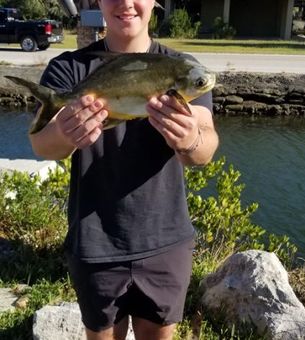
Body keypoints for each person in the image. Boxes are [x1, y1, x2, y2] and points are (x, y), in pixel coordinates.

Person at [29, 0, 219, 339]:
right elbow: (43, 146)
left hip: (166, 241)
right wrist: (64, 133)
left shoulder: (182, 68)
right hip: (95, 242)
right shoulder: (70, 68)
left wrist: (189, 138)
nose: (125, 3)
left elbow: (204, 148)